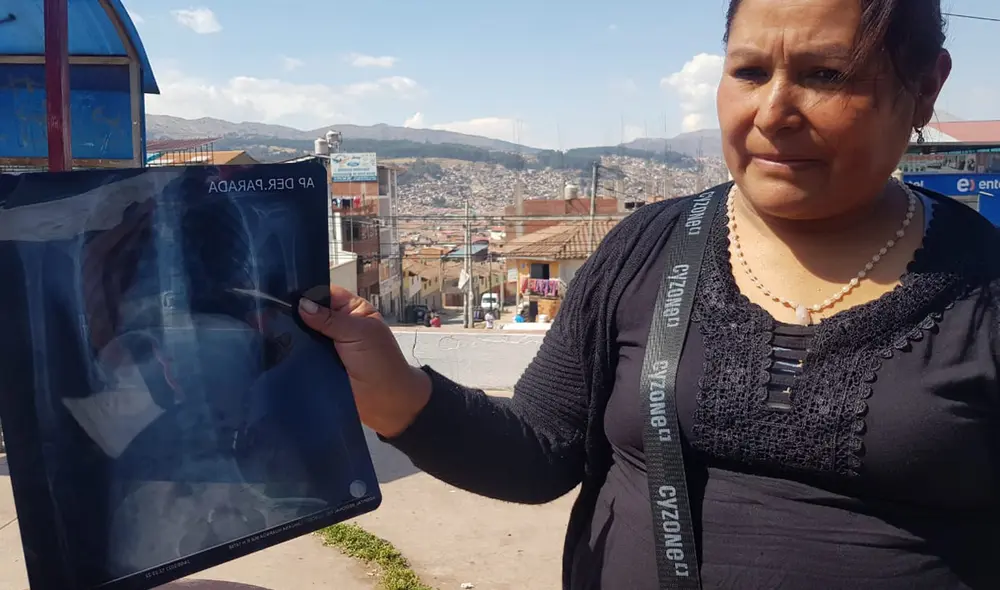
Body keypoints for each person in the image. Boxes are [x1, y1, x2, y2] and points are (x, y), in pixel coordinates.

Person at [298, 0, 1000, 588]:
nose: (774, 111)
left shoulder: (983, 292)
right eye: (750, 71)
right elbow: (542, 450)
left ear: (926, 85)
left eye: (826, 74)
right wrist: (391, 389)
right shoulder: (648, 248)